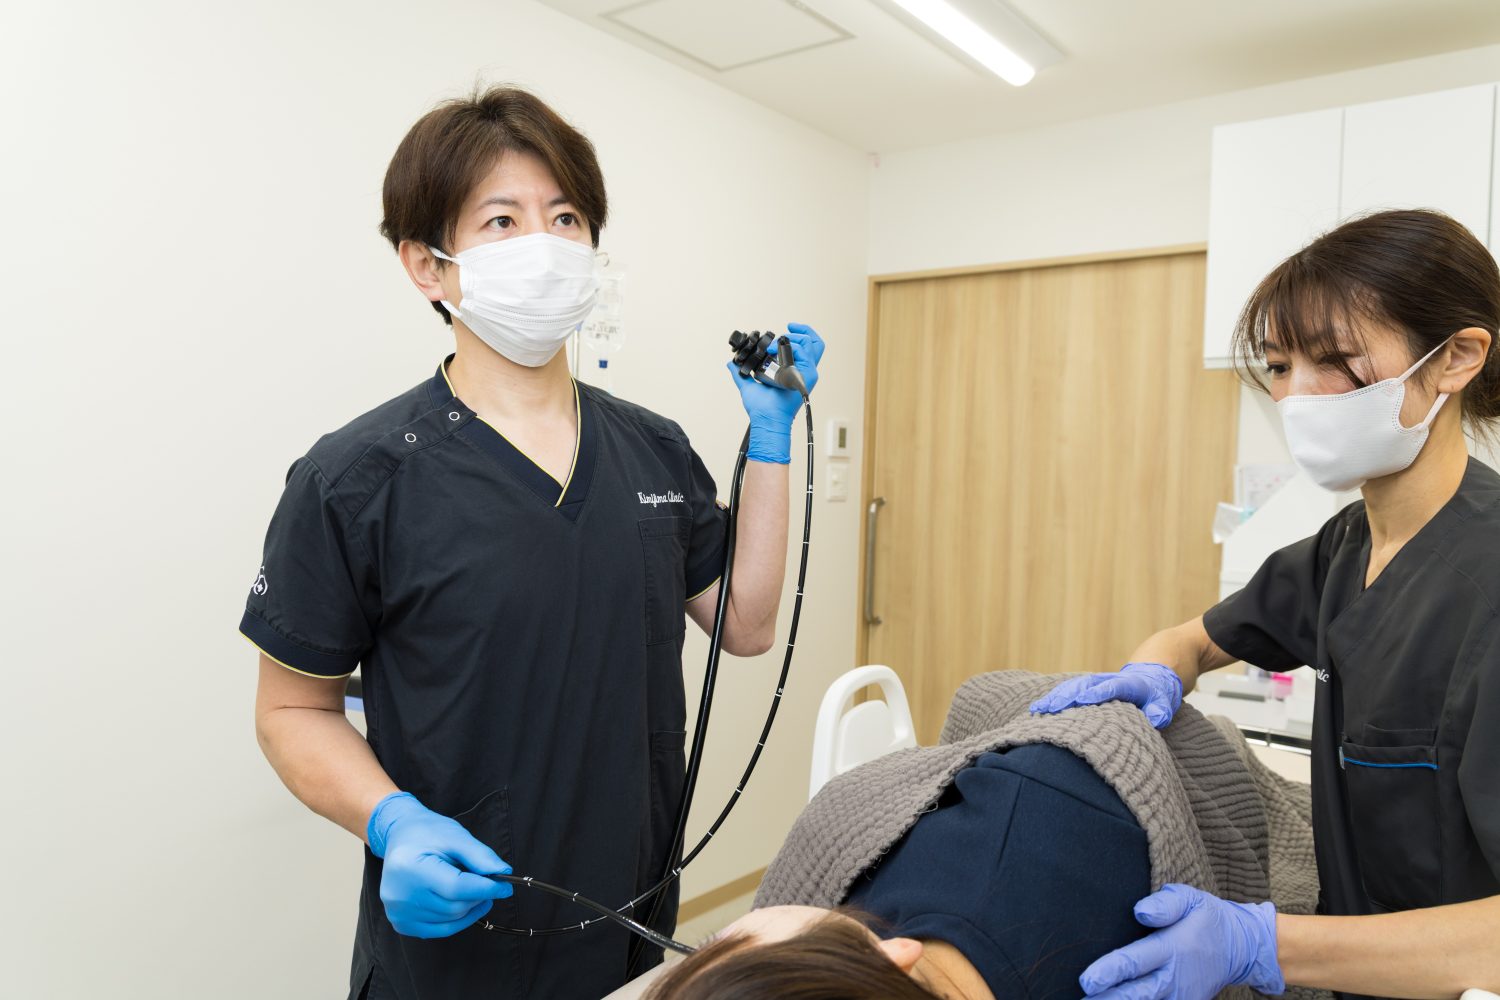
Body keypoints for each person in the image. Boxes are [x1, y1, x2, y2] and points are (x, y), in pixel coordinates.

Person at [241, 86, 824, 1000]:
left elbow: (746, 626)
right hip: (458, 949)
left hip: (632, 921)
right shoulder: (355, 480)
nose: (544, 245)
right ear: (427, 266)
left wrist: (774, 440)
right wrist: (390, 820)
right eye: (502, 221)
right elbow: (291, 710)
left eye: (565, 219)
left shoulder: (653, 447)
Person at [1031, 209, 1500, 1000]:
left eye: (1334, 360)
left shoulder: (1485, 587)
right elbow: (1194, 640)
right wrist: (1153, 674)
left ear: (1455, 357)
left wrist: (1261, 944)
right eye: (1281, 366)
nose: (1298, 396)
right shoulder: (1344, 547)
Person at [626, 668, 1312, 1000]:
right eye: (721, 944)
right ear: (893, 956)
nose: (720, 936)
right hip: (1135, 769)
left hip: (1049, 747)